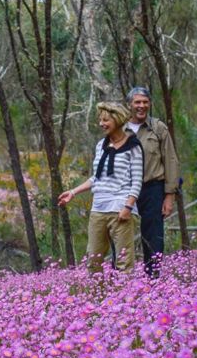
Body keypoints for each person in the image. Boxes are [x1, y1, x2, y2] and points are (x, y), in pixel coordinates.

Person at [58, 102, 143, 272]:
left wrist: (128, 206)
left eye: (106, 120)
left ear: (117, 120)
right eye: (100, 120)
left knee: (124, 261)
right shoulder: (101, 145)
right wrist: (73, 192)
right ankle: (98, 297)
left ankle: (127, 297)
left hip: (121, 208)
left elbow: (137, 180)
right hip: (98, 209)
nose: (101, 124)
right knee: (93, 259)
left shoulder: (133, 146)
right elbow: (96, 178)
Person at [125, 86, 181, 276]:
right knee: (120, 235)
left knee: (153, 236)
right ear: (130, 105)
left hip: (152, 188)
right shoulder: (119, 128)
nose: (141, 106)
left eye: (145, 102)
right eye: (137, 102)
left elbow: (171, 160)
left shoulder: (158, 128)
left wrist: (170, 195)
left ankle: (154, 277)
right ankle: (121, 279)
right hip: (125, 190)